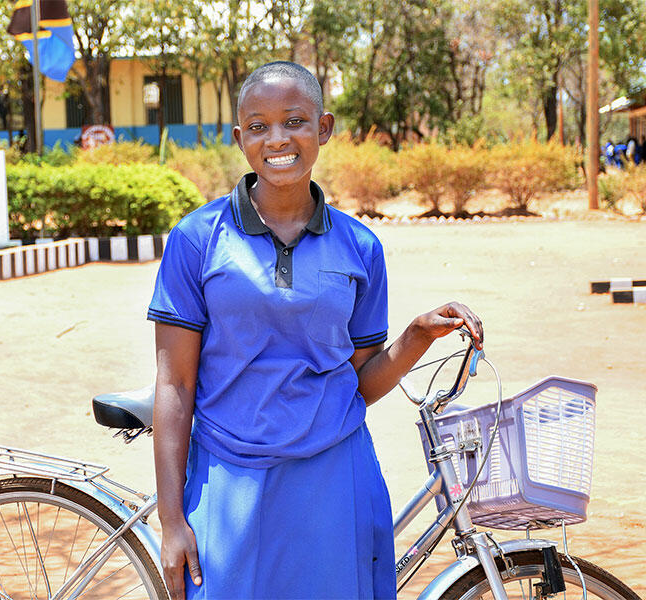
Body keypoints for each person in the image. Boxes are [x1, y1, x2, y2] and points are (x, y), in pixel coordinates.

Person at [147, 61, 483, 600]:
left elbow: (361, 384)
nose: (277, 138)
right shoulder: (197, 239)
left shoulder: (360, 247)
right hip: (230, 478)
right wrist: (170, 520)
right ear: (240, 139)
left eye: (294, 121)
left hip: (335, 477)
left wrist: (416, 337)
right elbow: (175, 385)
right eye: (258, 126)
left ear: (323, 129)